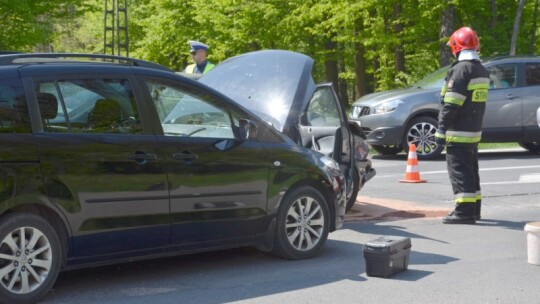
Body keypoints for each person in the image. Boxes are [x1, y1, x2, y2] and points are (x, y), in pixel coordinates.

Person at [435, 27, 490, 224]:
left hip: (458, 132)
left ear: (457, 48)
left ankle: (464, 212)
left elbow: (452, 103)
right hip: (473, 131)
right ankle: (474, 210)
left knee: (459, 171)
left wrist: (441, 129)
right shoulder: (480, 69)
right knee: (471, 171)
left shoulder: (460, 70)